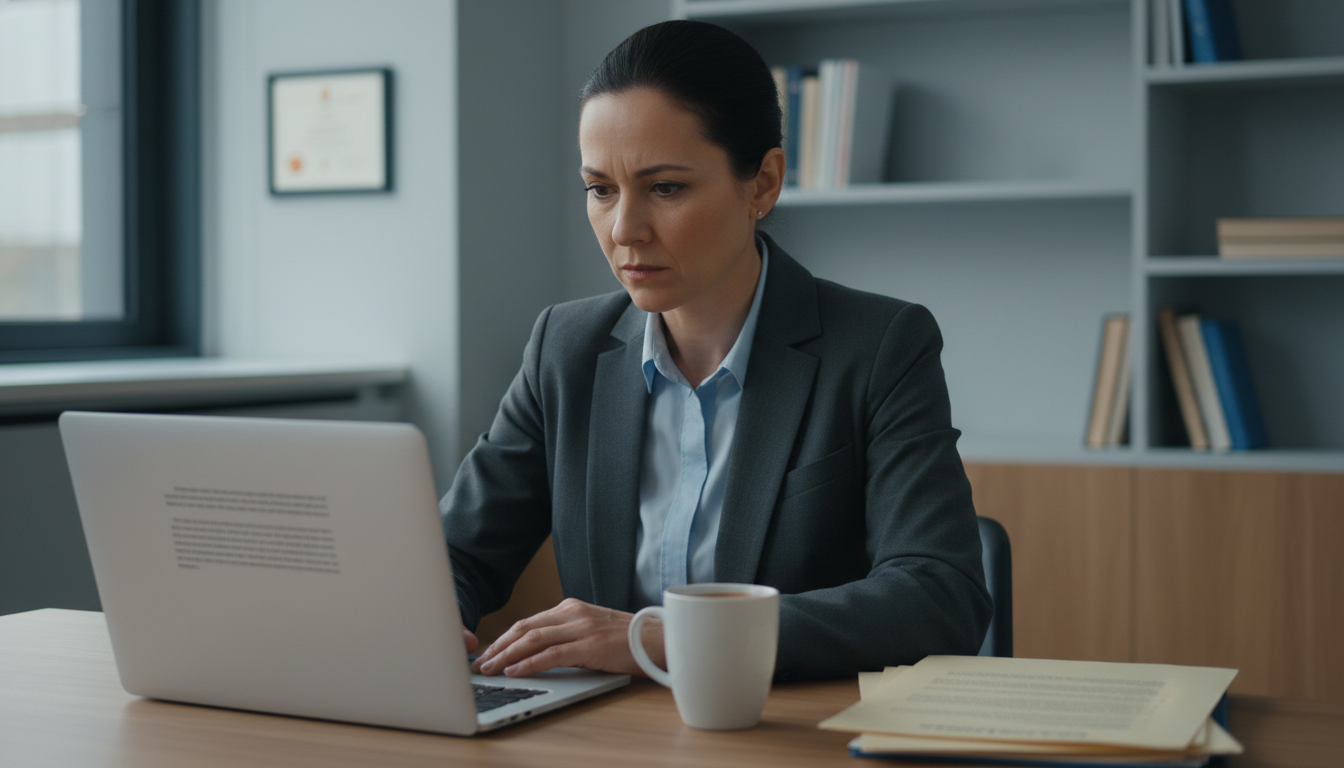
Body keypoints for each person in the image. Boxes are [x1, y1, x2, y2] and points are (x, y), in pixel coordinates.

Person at [442, 19, 991, 682]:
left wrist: (666, 637)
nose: (624, 229)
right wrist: (428, 615)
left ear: (762, 183)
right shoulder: (565, 347)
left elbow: (939, 597)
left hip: (783, 732)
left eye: (665, 187)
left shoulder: (880, 347)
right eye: (600, 189)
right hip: (604, 734)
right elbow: (456, 553)